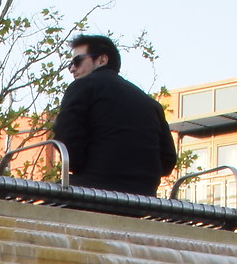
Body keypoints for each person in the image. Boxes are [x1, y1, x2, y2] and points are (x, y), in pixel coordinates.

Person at [49, 35, 177, 197]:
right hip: (144, 198)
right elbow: (167, 161)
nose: (72, 68)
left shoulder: (82, 87)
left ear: (102, 60)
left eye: (77, 61)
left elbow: (68, 143)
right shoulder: (150, 103)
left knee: (29, 203)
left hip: (94, 192)